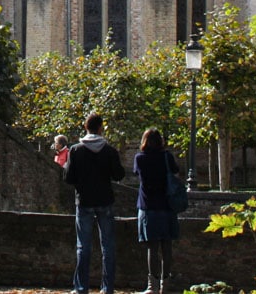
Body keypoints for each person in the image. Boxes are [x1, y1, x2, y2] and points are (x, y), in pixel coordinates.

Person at [64, 113, 126, 294]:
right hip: (105, 200)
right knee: (108, 246)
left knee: (83, 246)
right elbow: (119, 175)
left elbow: (68, 177)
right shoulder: (109, 151)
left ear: (86, 128)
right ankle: (107, 288)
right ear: (100, 128)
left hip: (84, 201)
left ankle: (81, 287)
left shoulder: (75, 150)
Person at [132, 128, 181, 294]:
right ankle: (165, 284)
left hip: (148, 206)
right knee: (166, 246)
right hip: (167, 206)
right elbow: (175, 171)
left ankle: (152, 286)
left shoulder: (140, 158)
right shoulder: (167, 157)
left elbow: (137, 174)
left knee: (152, 247)